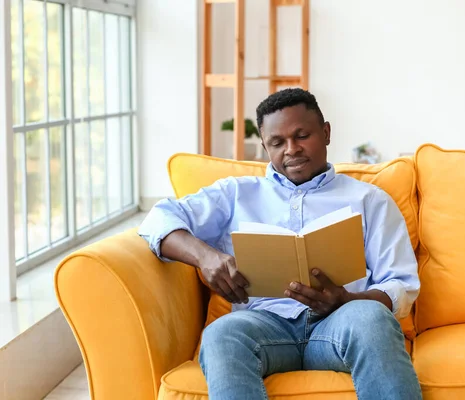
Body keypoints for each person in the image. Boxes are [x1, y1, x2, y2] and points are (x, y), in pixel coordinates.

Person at [138, 88, 422, 400]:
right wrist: (206, 257)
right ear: (264, 147)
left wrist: (347, 299)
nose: (292, 149)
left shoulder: (369, 200)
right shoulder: (234, 194)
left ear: (326, 133)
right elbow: (158, 220)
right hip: (263, 326)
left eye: (302, 135)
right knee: (221, 334)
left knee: (370, 318)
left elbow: (401, 285)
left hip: (341, 325)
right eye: (278, 142)